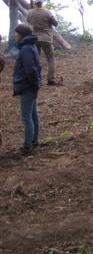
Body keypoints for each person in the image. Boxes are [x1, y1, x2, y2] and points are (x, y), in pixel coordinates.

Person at [12, 23, 41, 155]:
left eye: (17, 33)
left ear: (22, 35)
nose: (15, 35)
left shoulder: (26, 49)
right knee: (32, 114)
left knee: (26, 116)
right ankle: (34, 141)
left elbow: (30, 70)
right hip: (31, 86)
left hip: (27, 86)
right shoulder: (30, 46)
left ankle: (27, 146)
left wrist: (33, 85)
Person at [27, 0, 59, 85]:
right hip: (46, 38)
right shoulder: (47, 12)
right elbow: (55, 23)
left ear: (35, 3)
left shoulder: (30, 13)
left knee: (36, 60)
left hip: (34, 38)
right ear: (42, 3)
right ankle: (50, 80)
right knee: (50, 59)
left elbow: (28, 22)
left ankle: (38, 80)